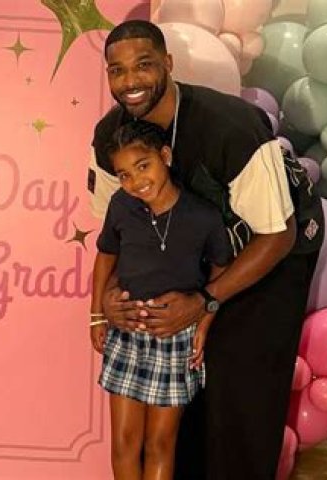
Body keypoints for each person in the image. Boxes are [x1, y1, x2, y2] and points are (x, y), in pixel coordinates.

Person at [88, 20, 324, 480]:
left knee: (238, 394)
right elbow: (115, 231)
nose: (131, 81)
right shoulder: (109, 138)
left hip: (271, 249)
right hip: (194, 259)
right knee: (184, 400)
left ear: (168, 64)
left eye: (144, 65)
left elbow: (278, 235)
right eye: (117, 70)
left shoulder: (229, 128)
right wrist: (108, 300)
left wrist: (205, 302)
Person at [91, 120, 231, 480]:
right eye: (124, 175)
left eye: (143, 166)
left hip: (175, 337)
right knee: (124, 443)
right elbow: (105, 257)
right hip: (126, 332)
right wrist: (97, 315)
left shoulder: (202, 216)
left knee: (160, 444)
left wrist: (204, 321)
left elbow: (221, 270)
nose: (136, 181)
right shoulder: (121, 205)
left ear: (164, 156)